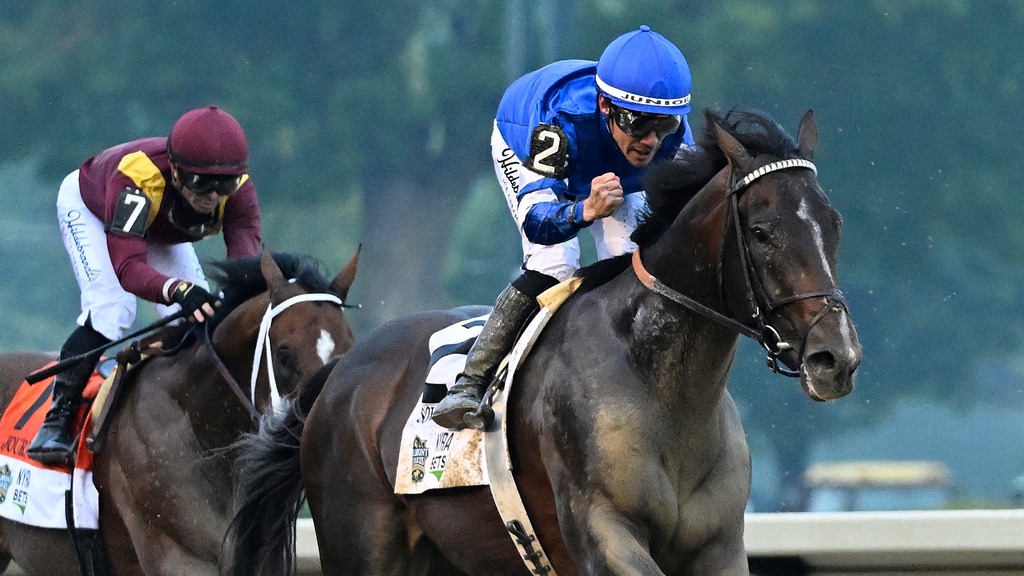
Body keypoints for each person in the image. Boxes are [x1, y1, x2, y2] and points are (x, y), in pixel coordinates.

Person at [432, 26, 694, 430]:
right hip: (527, 137)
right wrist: (585, 210)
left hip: (609, 165)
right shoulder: (558, 123)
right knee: (555, 261)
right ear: (606, 105)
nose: (651, 140)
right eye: (639, 123)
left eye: (665, 125)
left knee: (631, 260)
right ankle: (470, 383)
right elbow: (539, 225)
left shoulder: (676, 140)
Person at [27, 105, 262, 464]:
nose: (214, 196)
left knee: (196, 319)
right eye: (202, 183)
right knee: (112, 310)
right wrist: (176, 289)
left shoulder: (239, 189)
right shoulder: (138, 179)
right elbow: (128, 267)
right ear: (177, 172)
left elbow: (243, 265)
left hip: (157, 227)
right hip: (93, 207)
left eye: (224, 185)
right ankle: (58, 419)